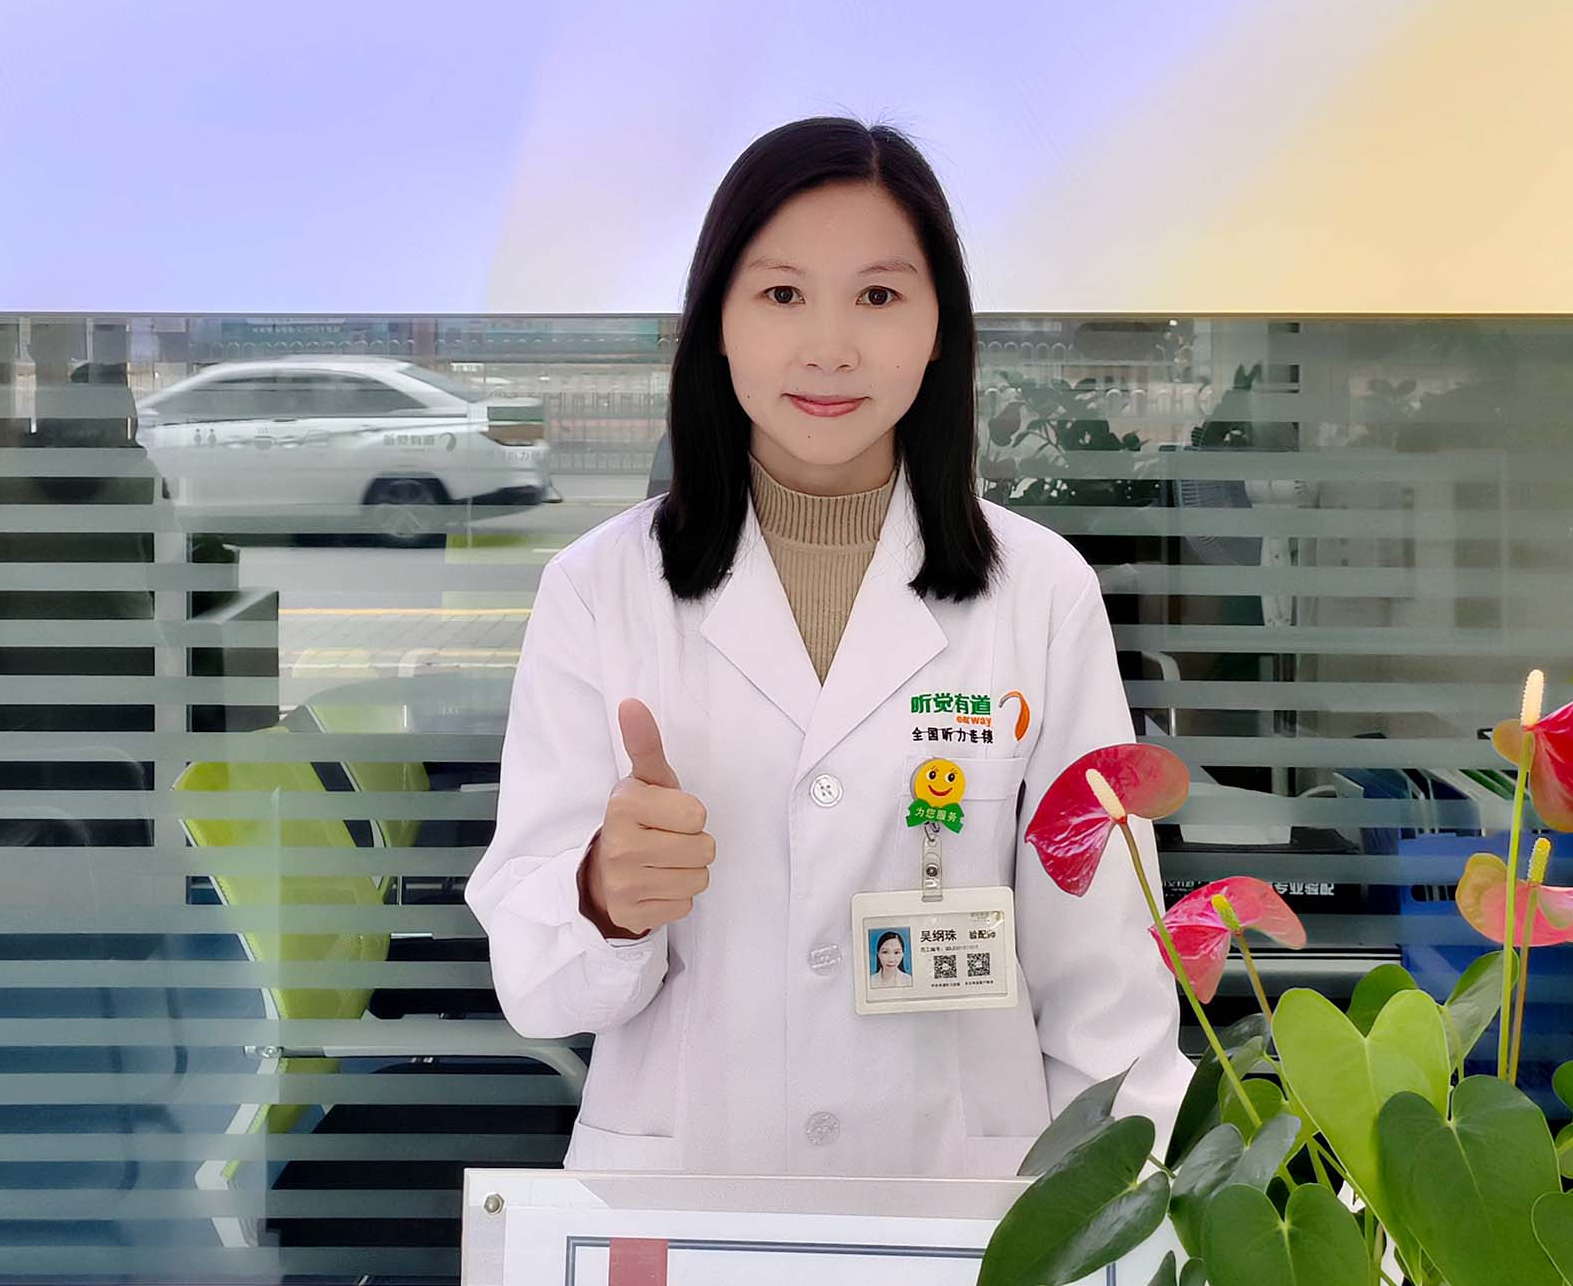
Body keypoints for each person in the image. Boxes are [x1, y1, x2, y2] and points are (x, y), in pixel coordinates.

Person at [468, 117, 1190, 1177]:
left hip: (958, 1203)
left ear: (940, 328)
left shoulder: (1040, 594)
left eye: (880, 296)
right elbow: (536, 985)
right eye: (781, 293)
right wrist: (603, 897)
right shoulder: (598, 590)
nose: (830, 346)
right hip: (687, 1196)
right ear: (718, 322)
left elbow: (1105, 981)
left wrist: (1110, 1222)